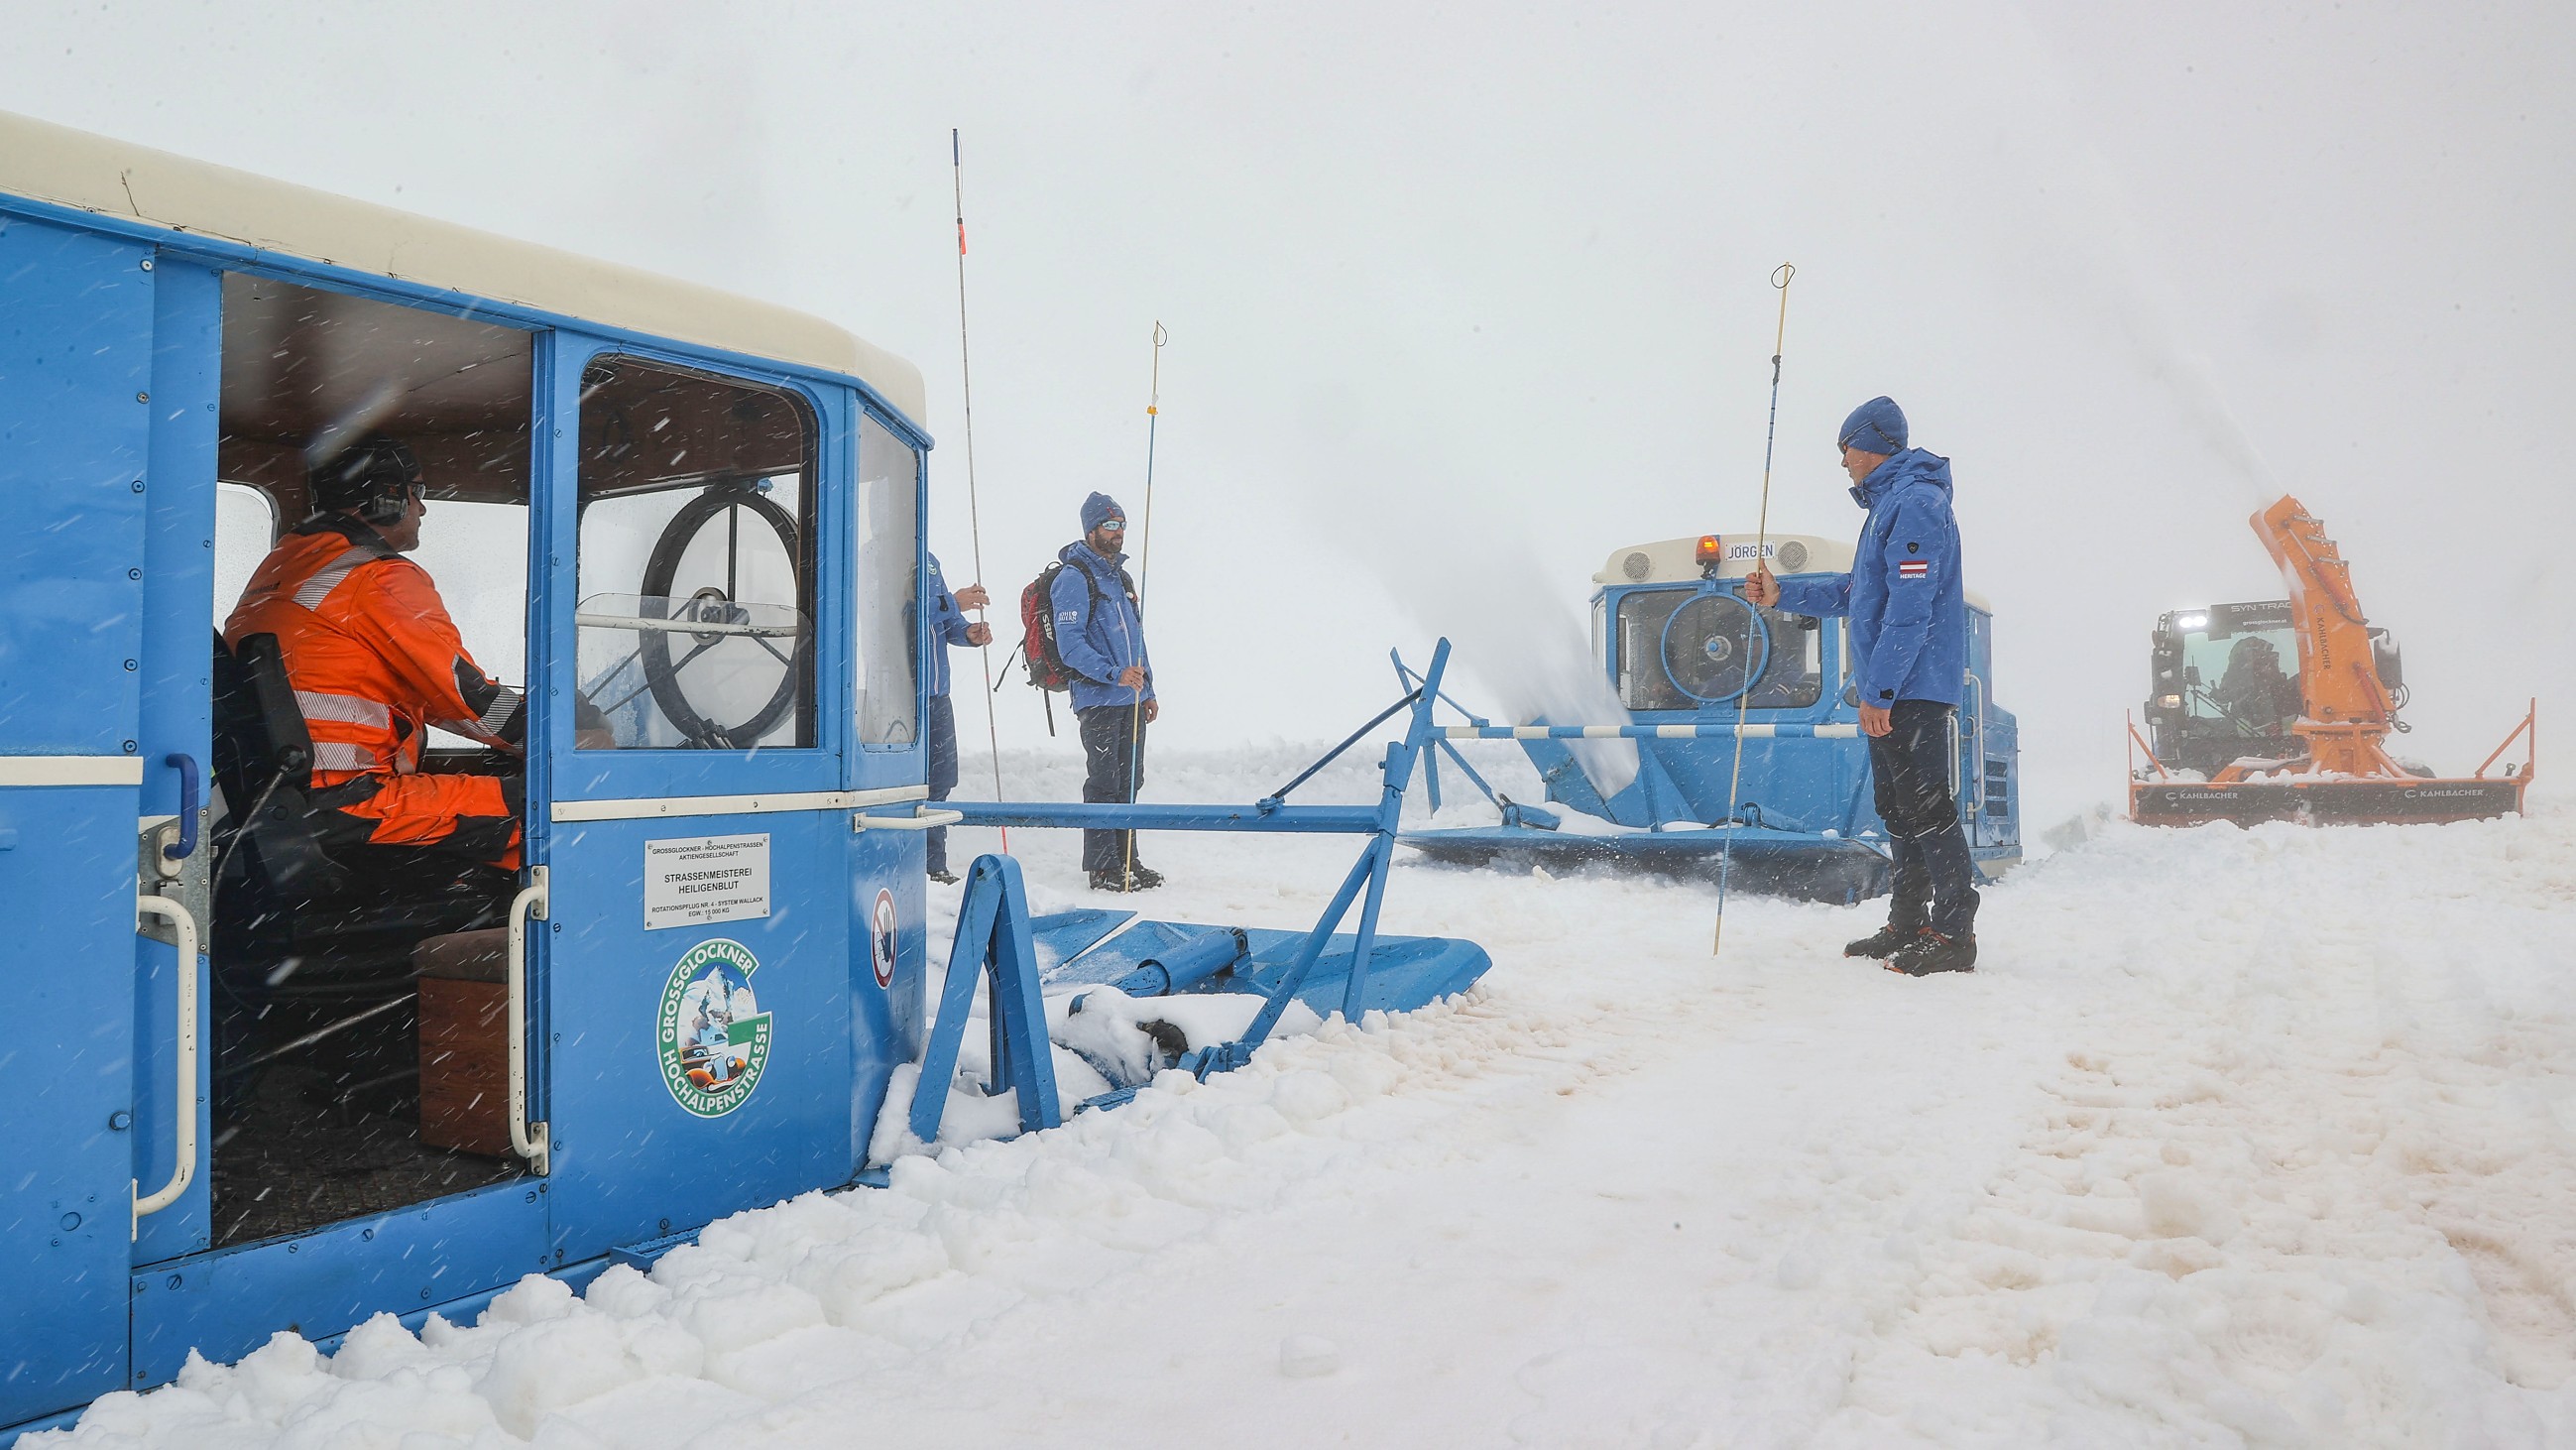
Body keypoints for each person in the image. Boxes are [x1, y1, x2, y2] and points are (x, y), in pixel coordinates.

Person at [1743, 397, 1980, 976]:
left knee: (1926, 804)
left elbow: (1910, 609)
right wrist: (1783, 596)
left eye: (1845, 447)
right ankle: (1908, 920)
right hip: (1895, 687)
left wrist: (1880, 692)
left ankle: (1953, 933)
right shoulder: (1888, 508)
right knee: (1897, 807)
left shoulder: (1918, 504)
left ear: (1870, 442)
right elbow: (1861, 591)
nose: (1843, 460)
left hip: (1912, 688)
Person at [224, 434, 528, 873]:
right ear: (385, 498)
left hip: (288, 803)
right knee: (548, 810)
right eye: (417, 492)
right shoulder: (376, 575)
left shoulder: (285, 564)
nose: (422, 508)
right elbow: (465, 696)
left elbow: (426, 693)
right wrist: (560, 739)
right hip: (346, 799)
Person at [1051, 491, 1160, 892]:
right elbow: (1071, 645)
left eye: (1122, 525)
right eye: (1111, 525)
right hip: (1097, 698)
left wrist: (1147, 687)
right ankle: (1102, 867)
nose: (1119, 533)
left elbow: (1136, 636)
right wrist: (1114, 674)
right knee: (1103, 782)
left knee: (1131, 780)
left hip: (1130, 698)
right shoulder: (1073, 578)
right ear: (1091, 528)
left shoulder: (1120, 577)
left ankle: (1128, 861)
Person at [920, 550, 992, 884]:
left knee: (942, 780)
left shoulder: (930, 559)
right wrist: (951, 601)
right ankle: (908, 863)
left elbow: (944, 623)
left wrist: (967, 633)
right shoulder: (878, 553)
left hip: (938, 696)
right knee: (902, 785)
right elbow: (898, 614)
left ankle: (934, 864)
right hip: (902, 697)